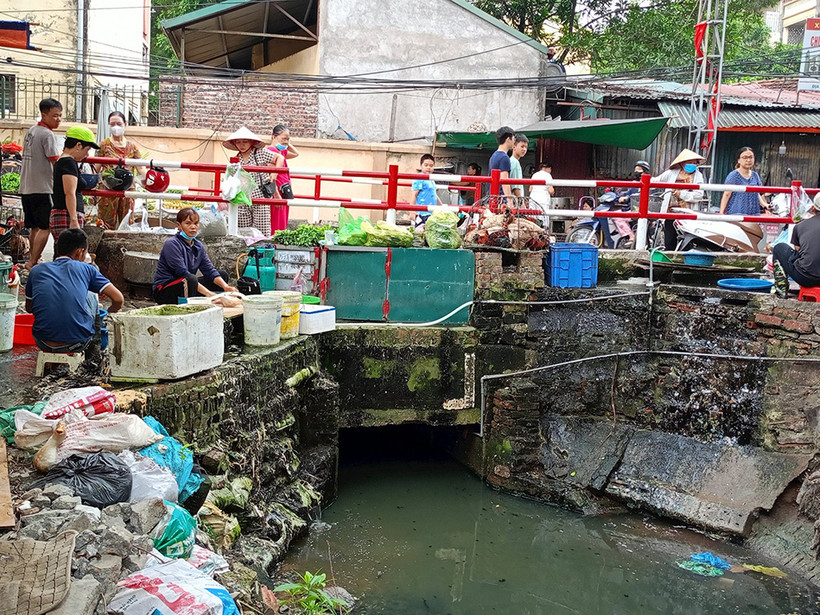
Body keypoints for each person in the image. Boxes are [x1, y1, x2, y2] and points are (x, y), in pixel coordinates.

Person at [25, 228, 123, 353]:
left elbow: (29, 308)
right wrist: (111, 311)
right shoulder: (87, 269)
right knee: (91, 295)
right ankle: (95, 350)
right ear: (79, 252)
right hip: (77, 342)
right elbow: (118, 298)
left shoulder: (36, 270)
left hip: (43, 341)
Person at [153, 208, 238, 305]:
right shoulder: (172, 244)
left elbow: (209, 270)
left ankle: (210, 300)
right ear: (179, 225)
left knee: (222, 275)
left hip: (187, 282)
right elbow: (182, 273)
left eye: (196, 223)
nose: (193, 227)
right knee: (190, 279)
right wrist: (209, 294)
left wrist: (226, 287)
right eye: (188, 223)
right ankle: (190, 305)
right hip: (165, 290)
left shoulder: (198, 246)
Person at [20, 97, 62, 270]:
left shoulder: (32, 131)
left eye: (60, 116)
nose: (58, 119)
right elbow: (55, 160)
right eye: (55, 116)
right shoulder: (47, 134)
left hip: (26, 187)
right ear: (44, 115)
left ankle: (32, 260)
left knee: (34, 228)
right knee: (45, 227)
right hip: (42, 187)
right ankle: (32, 262)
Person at [223, 127, 277, 236]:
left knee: (263, 231)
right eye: (238, 142)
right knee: (242, 232)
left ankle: (262, 247)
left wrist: (274, 173)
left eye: (245, 142)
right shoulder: (236, 159)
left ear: (251, 142)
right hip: (243, 198)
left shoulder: (260, 153)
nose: (241, 145)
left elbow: (279, 158)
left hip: (260, 197)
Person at [50, 126, 100, 242]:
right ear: (78, 145)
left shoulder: (62, 161)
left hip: (63, 213)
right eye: (87, 150)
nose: (87, 154)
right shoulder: (69, 163)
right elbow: (69, 193)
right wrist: (73, 219)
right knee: (71, 249)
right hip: (67, 215)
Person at [96, 111, 142, 229]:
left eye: (119, 123)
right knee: (105, 224)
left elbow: (141, 168)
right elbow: (95, 168)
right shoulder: (103, 145)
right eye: (112, 124)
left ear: (125, 124)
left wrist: (151, 181)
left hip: (127, 190)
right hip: (107, 189)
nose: (115, 127)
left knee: (127, 223)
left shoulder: (132, 147)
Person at [653, 149, 706, 250]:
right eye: (690, 162)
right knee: (669, 240)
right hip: (670, 212)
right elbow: (656, 181)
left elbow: (699, 195)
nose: (693, 165)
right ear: (682, 163)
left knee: (686, 241)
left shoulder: (698, 176)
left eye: (695, 163)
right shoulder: (672, 173)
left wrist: (681, 194)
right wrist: (643, 179)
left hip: (687, 213)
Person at [771, 193, 820, 298]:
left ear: (812, 208)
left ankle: (781, 290)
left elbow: (798, 250)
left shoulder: (801, 226)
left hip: (806, 278)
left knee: (779, 248)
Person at [266, 124, 299, 233]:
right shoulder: (270, 152)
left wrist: (287, 143)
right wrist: (276, 193)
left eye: (288, 139)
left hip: (284, 188)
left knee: (283, 217)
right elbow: (271, 175)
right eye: (283, 138)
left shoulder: (282, 152)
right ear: (274, 137)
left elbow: (296, 153)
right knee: (276, 218)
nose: (286, 141)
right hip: (277, 189)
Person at [719, 147, 768, 215]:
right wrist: (721, 212)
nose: (748, 160)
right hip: (737, 213)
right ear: (739, 160)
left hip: (754, 213)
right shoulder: (734, 175)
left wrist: (764, 204)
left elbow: (757, 193)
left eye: (751, 157)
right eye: (745, 157)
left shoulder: (755, 175)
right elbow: (727, 194)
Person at [489, 126, 515, 197]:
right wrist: (509, 198)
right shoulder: (504, 157)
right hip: (500, 198)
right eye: (513, 138)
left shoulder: (494, 155)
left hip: (492, 195)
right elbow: (504, 180)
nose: (514, 141)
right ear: (508, 139)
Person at [510, 134, 528, 198]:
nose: (524, 149)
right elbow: (516, 187)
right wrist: (521, 201)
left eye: (526, 147)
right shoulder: (515, 162)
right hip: (515, 199)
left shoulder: (511, 160)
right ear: (514, 147)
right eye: (522, 146)